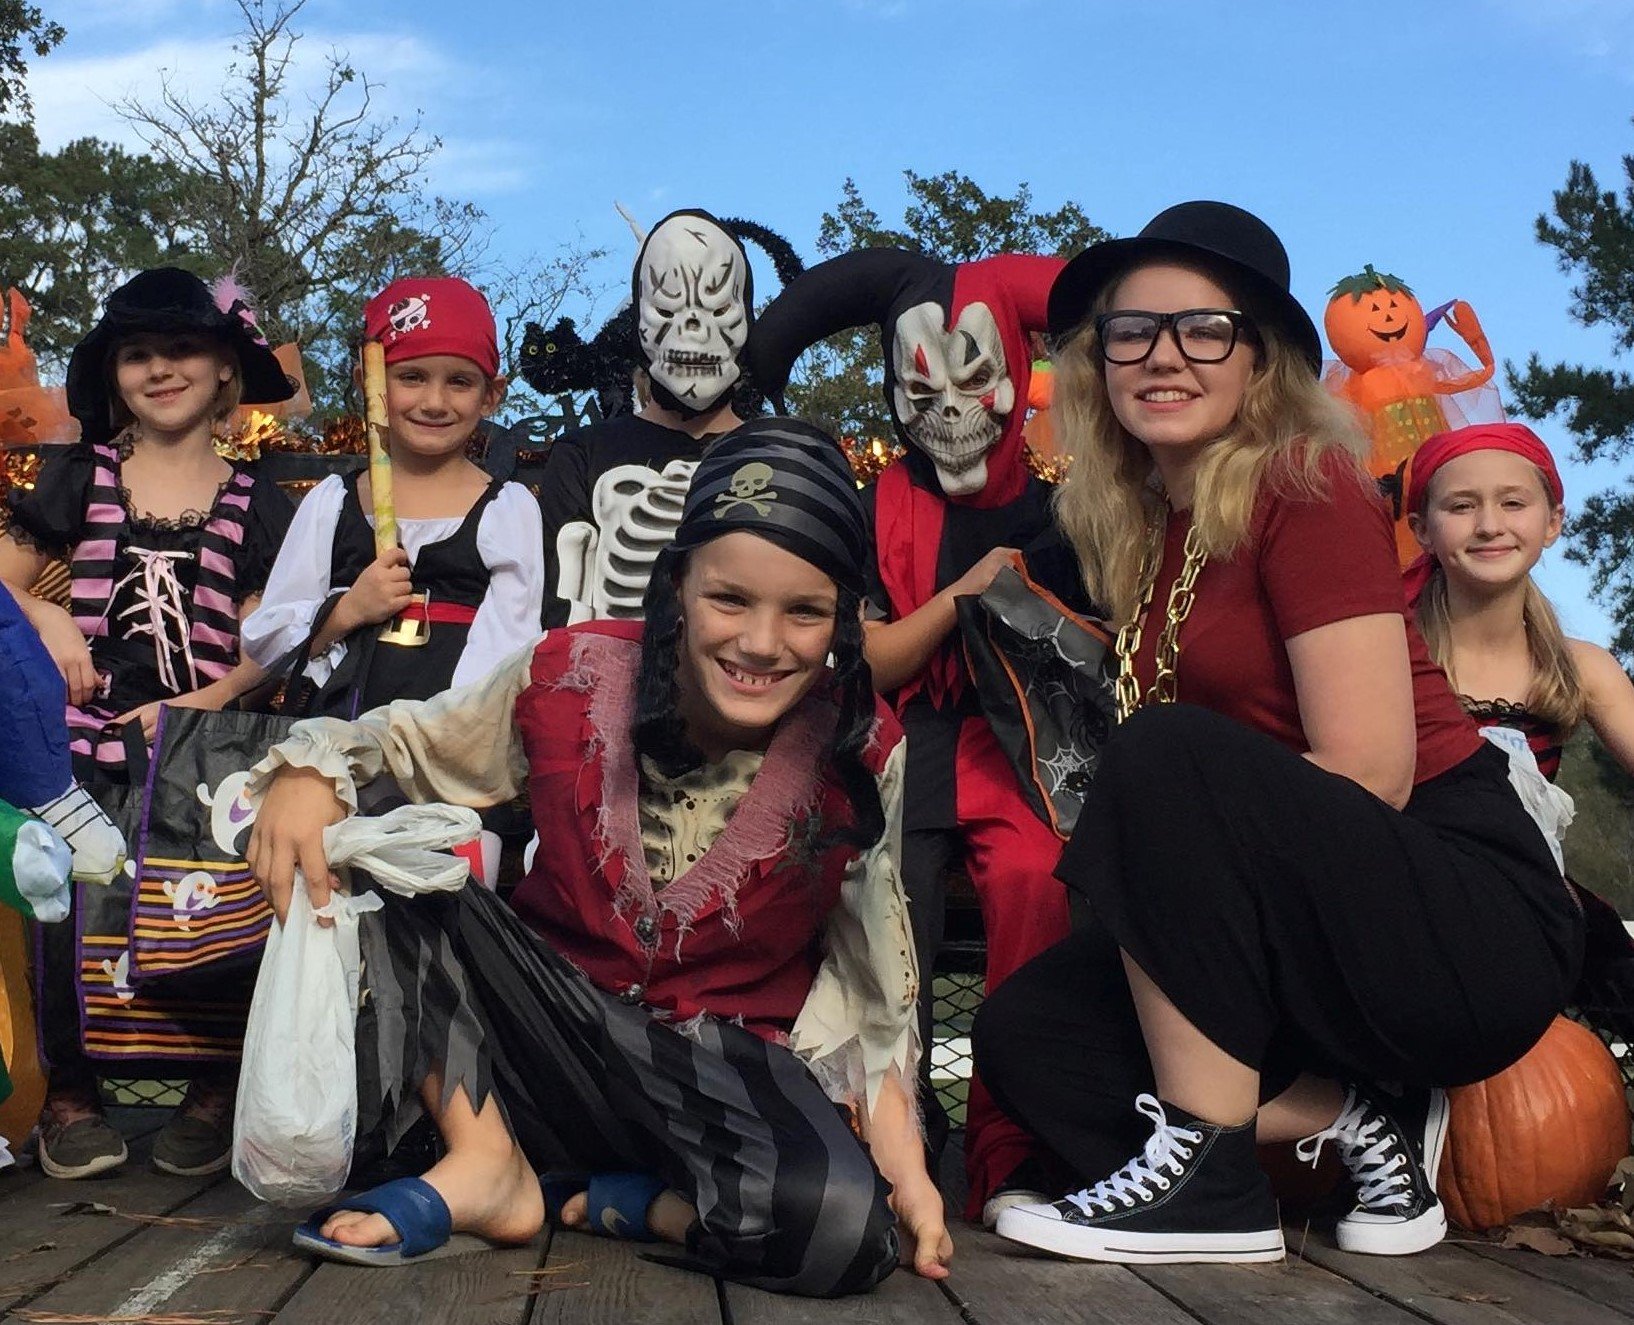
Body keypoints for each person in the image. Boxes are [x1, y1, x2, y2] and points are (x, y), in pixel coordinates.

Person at [972, 202, 1583, 1265]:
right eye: (1131, 329)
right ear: (1097, 361)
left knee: (1155, 754)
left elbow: (1369, 769)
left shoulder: (1302, 484)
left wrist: (1174, 872)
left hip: (1455, 908)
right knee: (1030, 1036)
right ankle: (1354, 1120)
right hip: (1311, 923)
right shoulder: (1152, 531)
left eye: (1203, 328)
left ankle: (1208, 1179)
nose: (1162, 354)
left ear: (1258, 361)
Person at [246, 418, 952, 1296]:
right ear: (678, 587)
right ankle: (484, 1161)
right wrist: (313, 772)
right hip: (541, 1038)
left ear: (841, 620)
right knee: (394, 862)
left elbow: (872, 982)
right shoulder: (571, 671)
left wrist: (908, 1174)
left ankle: (640, 1201)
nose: (763, 643)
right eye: (730, 599)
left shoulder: (862, 745)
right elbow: (405, 746)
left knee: (845, 1232)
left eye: (804, 611)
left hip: (719, 1074)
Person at [748, 249, 1075, 1223]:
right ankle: (896, 1131)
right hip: (902, 735)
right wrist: (965, 597)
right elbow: (872, 660)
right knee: (884, 895)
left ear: (1016, 372)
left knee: (1030, 879)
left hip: (1018, 745)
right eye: (921, 381)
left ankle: (1009, 1140)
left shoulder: (1066, 502)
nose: (949, 403)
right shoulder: (875, 502)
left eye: (975, 374)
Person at [0, 267, 296, 1180]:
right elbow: (4, 583)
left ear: (223, 373)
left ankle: (213, 1088)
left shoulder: (256, 501)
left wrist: (201, 700)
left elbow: (275, 639)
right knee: (64, 910)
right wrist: (50, 619)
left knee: (206, 910)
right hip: (79, 745)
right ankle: (71, 1096)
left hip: (199, 752)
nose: (160, 369)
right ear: (113, 374)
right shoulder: (78, 478)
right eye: (138, 354)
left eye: (182, 350)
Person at [242, 277, 545, 715]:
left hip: (449, 751)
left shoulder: (508, 509)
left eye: (459, 382)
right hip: (329, 746)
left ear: (491, 395)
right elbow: (269, 642)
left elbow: (511, 651)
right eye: (411, 377)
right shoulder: (332, 503)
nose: (435, 401)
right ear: (368, 383)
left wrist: (440, 741)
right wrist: (346, 611)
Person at [1404, 422, 1634, 782]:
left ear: (1553, 523)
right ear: (1422, 530)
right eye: (1462, 506)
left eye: (1513, 503)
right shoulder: (1391, 654)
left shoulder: (1580, 667)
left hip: (1519, 841)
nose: (1489, 525)